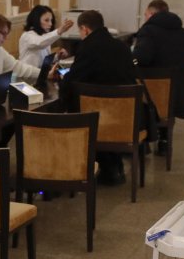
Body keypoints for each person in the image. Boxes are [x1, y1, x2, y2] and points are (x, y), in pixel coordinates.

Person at [58, 10, 138, 185]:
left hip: (98, 119)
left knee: (82, 108)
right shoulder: (122, 46)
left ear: (85, 29)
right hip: (127, 116)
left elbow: (74, 79)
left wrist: (61, 82)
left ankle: (85, 167)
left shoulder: (87, 48)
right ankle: (114, 168)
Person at [133, 0, 184, 155]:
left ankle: (143, 141)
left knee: (134, 87)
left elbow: (142, 58)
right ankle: (164, 141)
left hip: (153, 95)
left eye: (146, 14)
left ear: (152, 14)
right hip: (178, 93)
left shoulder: (148, 31)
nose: (145, 18)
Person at [17, 5, 73, 69]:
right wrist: (59, 31)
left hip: (40, 75)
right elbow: (40, 43)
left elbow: (44, 60)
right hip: (27, 77)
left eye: (51, 20)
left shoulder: (45, 36)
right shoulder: (27, 36)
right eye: (46, 20)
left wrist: (58, 57)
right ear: (36, 20)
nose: (50, 24)